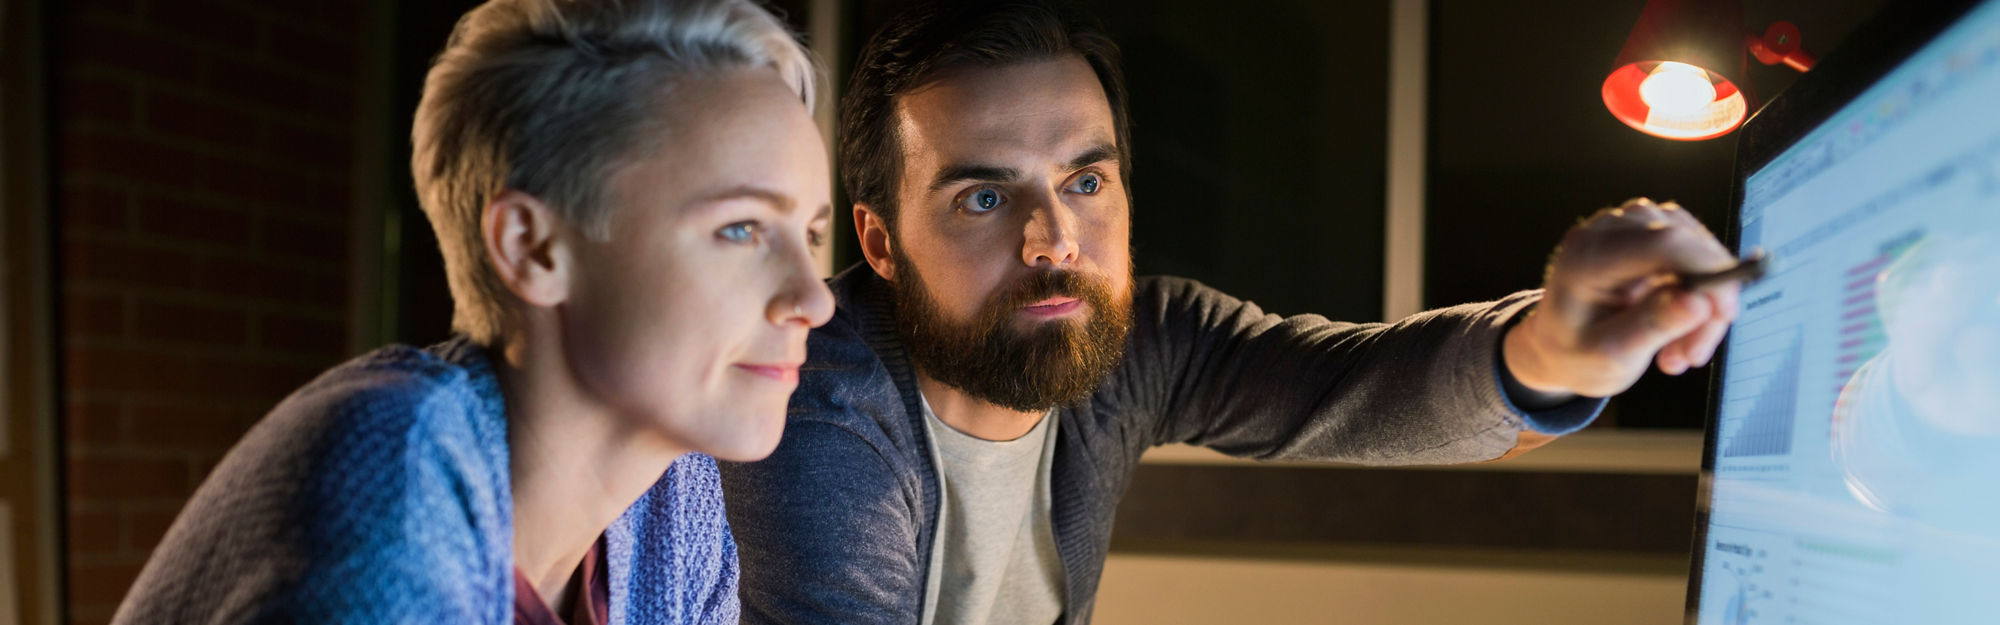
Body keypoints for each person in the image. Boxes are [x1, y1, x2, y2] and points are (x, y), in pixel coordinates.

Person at [717, 1, 1744, 624]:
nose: (1050, 238)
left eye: (1084, 181)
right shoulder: (814, 400)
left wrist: (1558, 345)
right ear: (880, 241)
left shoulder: (1129, 341)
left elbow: (1356, 386)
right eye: (983, 197)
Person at [112, 0, 833, 623]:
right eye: (741, 228)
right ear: (534, 248)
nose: (815, 296)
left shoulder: (677, 496)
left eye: (810, 234)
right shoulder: (388, 489)